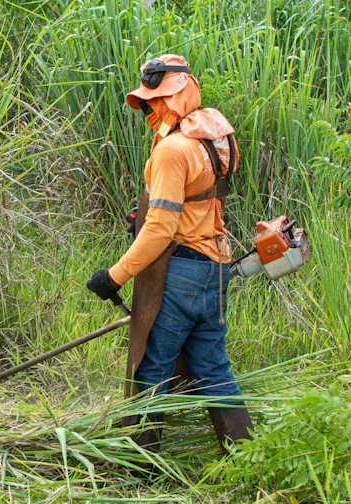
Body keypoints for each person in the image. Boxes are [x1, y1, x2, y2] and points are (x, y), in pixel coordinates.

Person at [85, 54, 254, 449]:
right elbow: (197, 198)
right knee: (213, 367)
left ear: (178, 96)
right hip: (215, 266)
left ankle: (141, 468)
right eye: (147, 102)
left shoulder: (171, 150)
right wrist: (142, 212)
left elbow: (161, 230)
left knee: (151, 367)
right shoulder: (218, 137)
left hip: (179, 271)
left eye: (157, 100)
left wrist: (114, 276)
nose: (150, 108)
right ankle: (248, 455)